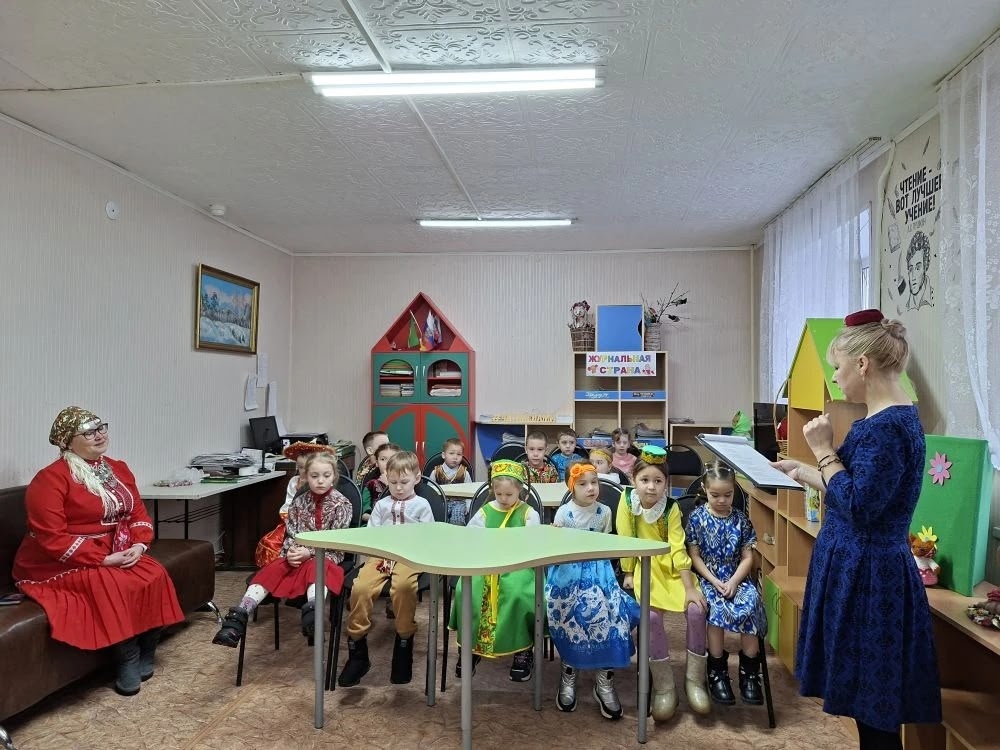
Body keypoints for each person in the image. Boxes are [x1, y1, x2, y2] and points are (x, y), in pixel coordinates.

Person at [771, 309, 941, 749]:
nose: (835, 377)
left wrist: (822, 449)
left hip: (869, 577)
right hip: (861, 566)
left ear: (862, 364)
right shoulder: (885, 420)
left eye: (837, 367)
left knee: (875, 710)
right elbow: (853, 485)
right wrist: (804, 471)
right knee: (869, 705)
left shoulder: (888, 428)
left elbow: (860, 506)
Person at [12, 407, 184, 696]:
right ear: (68, 441)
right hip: (56, 560)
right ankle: (127, 657)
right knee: (109, 581)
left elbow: (137, 513)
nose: (99, 435)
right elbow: (51, 537)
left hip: (117, 549)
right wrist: (102, 559)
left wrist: (139, 544)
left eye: (101, 427)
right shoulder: (50, 479)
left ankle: (147, 648)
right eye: (88, 432)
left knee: (154, 573)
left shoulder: (118, 468)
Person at [213, 451, 353, 648]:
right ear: (306, 476)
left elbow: (337, 540)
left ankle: (313, 613)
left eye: (326, 475)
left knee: (317, 568)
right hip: (296, 554)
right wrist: (291, 553)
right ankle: (239, 617)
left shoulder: (342, 504)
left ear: (334, 477)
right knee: (270, 571)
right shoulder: (298, 502)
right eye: (314, 476)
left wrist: (310, 553)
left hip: (326, 556)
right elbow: (291, 534)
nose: (320, 481)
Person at [616, 445, 711, 720]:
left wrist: (690, 587)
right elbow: (625, 539)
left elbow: (678, 547)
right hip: (643, 567)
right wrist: (628, 572)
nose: (651, 487)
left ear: (666, 483)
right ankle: (664, 685)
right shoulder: (626, 501)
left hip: (672, 568)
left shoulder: (671, 508)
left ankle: (694, 681)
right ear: (633, 479)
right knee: (652, 617)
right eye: (644, 480)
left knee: (696, 611)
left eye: (658, 481)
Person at [546, 463, 639, 719]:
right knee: (568, 613)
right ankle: (569, 671)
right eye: (583, 484)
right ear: (572, 488)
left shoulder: (605, 512)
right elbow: (556, 550)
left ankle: (604, 680)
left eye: (594, 482)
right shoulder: (564, 513)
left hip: (600, 571)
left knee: (612, 612)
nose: (591, 488)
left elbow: (605, 546)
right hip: (568, 571)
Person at [338, 451, 435, 687]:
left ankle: (404, 641)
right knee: (361, 587)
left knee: (403, 587)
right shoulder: (381, 505)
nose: (398, 488)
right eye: (393, 482)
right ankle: (357, 648)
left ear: (416, 479)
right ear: (386, 480)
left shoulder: (422, 505)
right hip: (380, 557)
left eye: (404, 482)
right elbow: (372, 535)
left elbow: (430, 536)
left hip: (410, 558)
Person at [449, 460, 542, 682]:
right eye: (499, 494)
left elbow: (534, 544)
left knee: (518, 594)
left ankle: (523, 650)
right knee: (467, 590)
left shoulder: (528, 514)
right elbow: (471, 538)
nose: (504, 499)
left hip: (518, 566)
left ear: (520, 490)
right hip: (487, 564)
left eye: (509, 494)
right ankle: (470, 647)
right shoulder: (485, 512)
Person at [685, 461, 767, 706]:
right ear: (705, 490)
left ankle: (750, 672)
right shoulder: (697, 518)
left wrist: (733, 581)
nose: (722, 500)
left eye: (728, 495)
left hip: (736, 576)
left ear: (734, 491)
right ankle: (717, 671)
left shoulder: (741, 519)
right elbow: (694, 556)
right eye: (715, 495)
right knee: (715, 608)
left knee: (751, 602)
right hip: (708, 577)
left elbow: (747, 557)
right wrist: (713, 580)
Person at [255, 440, 331, 568]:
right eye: (300, 467)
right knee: (271, 543)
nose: (303, 471)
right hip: (292, 522)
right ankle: (277, 571)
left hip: (315, 525)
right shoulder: (294, 482)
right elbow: (288, 504)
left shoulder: (322, 483)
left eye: (306, 467)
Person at [431, 438, 472, 525]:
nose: (455, 457)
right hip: (441, 501)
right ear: (443, 455)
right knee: (440, 517)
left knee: (457, 515)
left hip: (459, 502)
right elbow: (430, 491)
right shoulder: (436, 472)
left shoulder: (464, 473)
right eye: (451, 453)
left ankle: (457, 532)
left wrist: (468, 505)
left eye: (459, 454)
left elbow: (470, 491)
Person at [361, 442, 402, 522]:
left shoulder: (407, 483)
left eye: (392, 459)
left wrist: (388, 484)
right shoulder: (371, 484)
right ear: (377, 463)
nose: (388, 463)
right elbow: (363, 514)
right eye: (383, 459)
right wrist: (380, 520)